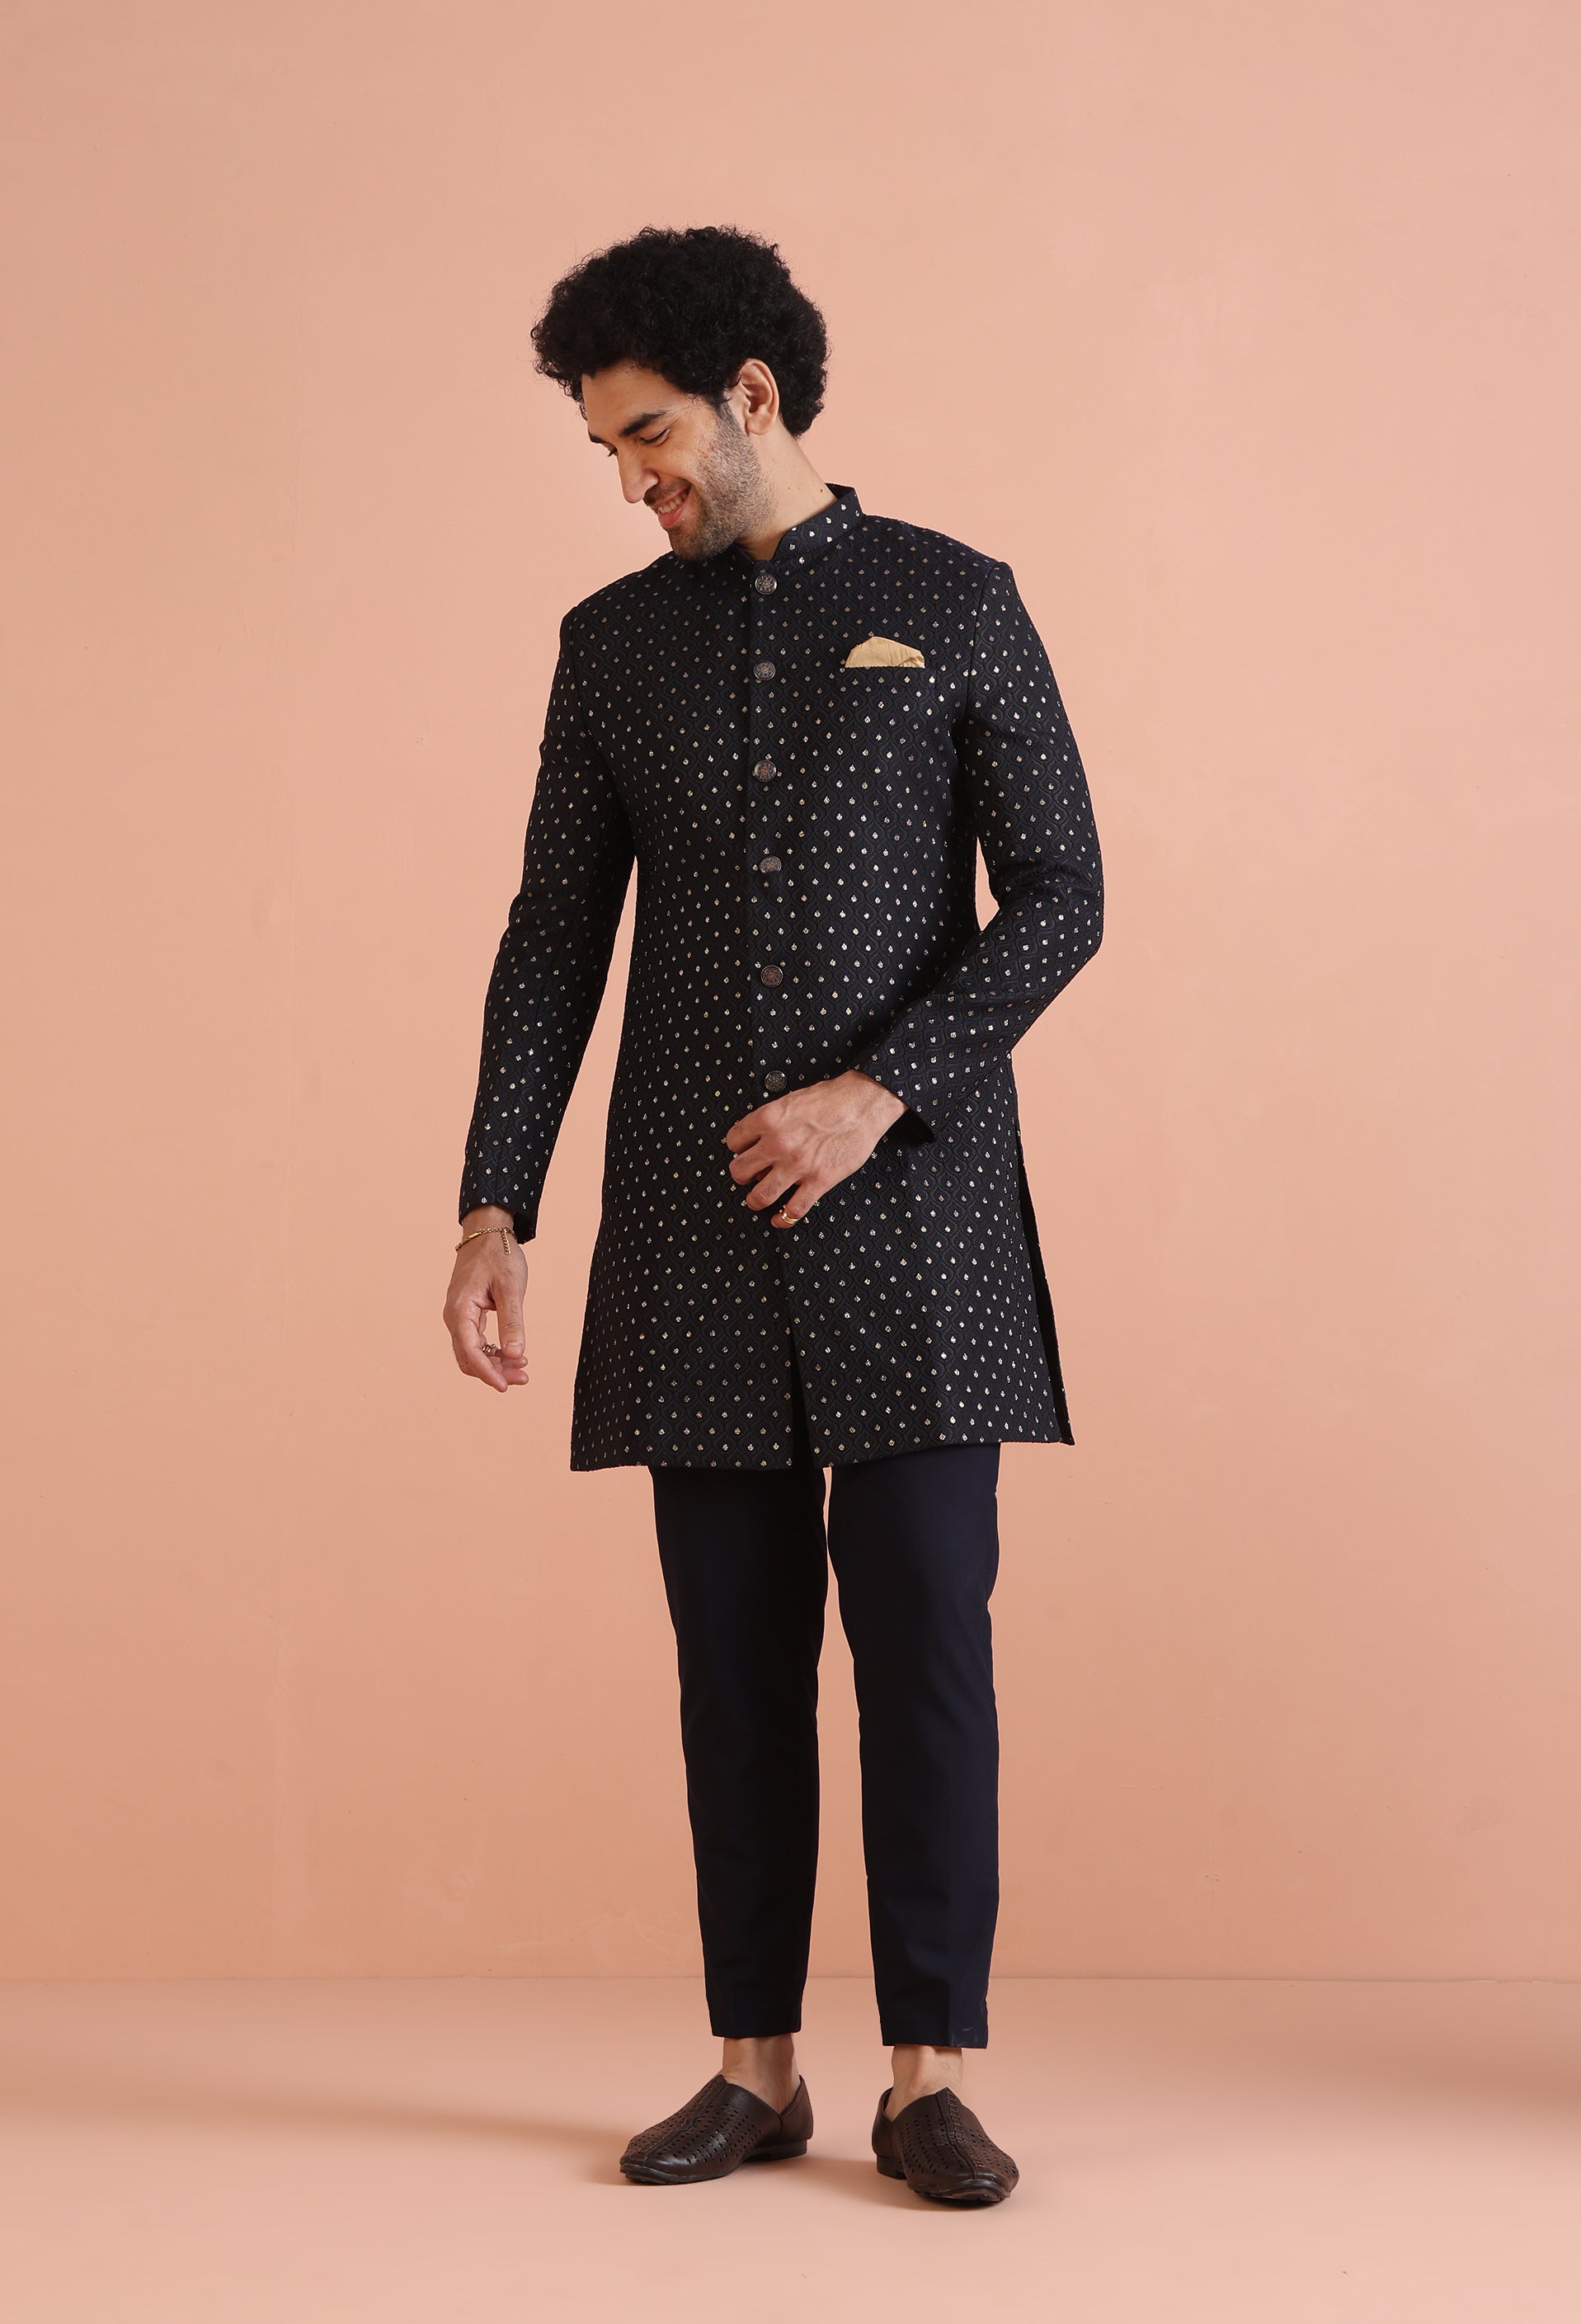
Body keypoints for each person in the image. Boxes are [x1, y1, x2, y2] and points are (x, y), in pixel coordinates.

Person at [444, 225, 1103, 2204]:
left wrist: (878, 1087)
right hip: (690, 1226)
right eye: (603, 452)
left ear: (751, 397)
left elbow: (1064, 892)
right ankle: (755, 2068)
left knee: (924, 1655)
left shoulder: (954, 600)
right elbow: (552, 940)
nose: (628, 480)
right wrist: (495, 1201)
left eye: (646, 436)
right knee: (731, 1666)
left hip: (920, 1223)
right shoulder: (610, 646)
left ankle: (931, 2076)